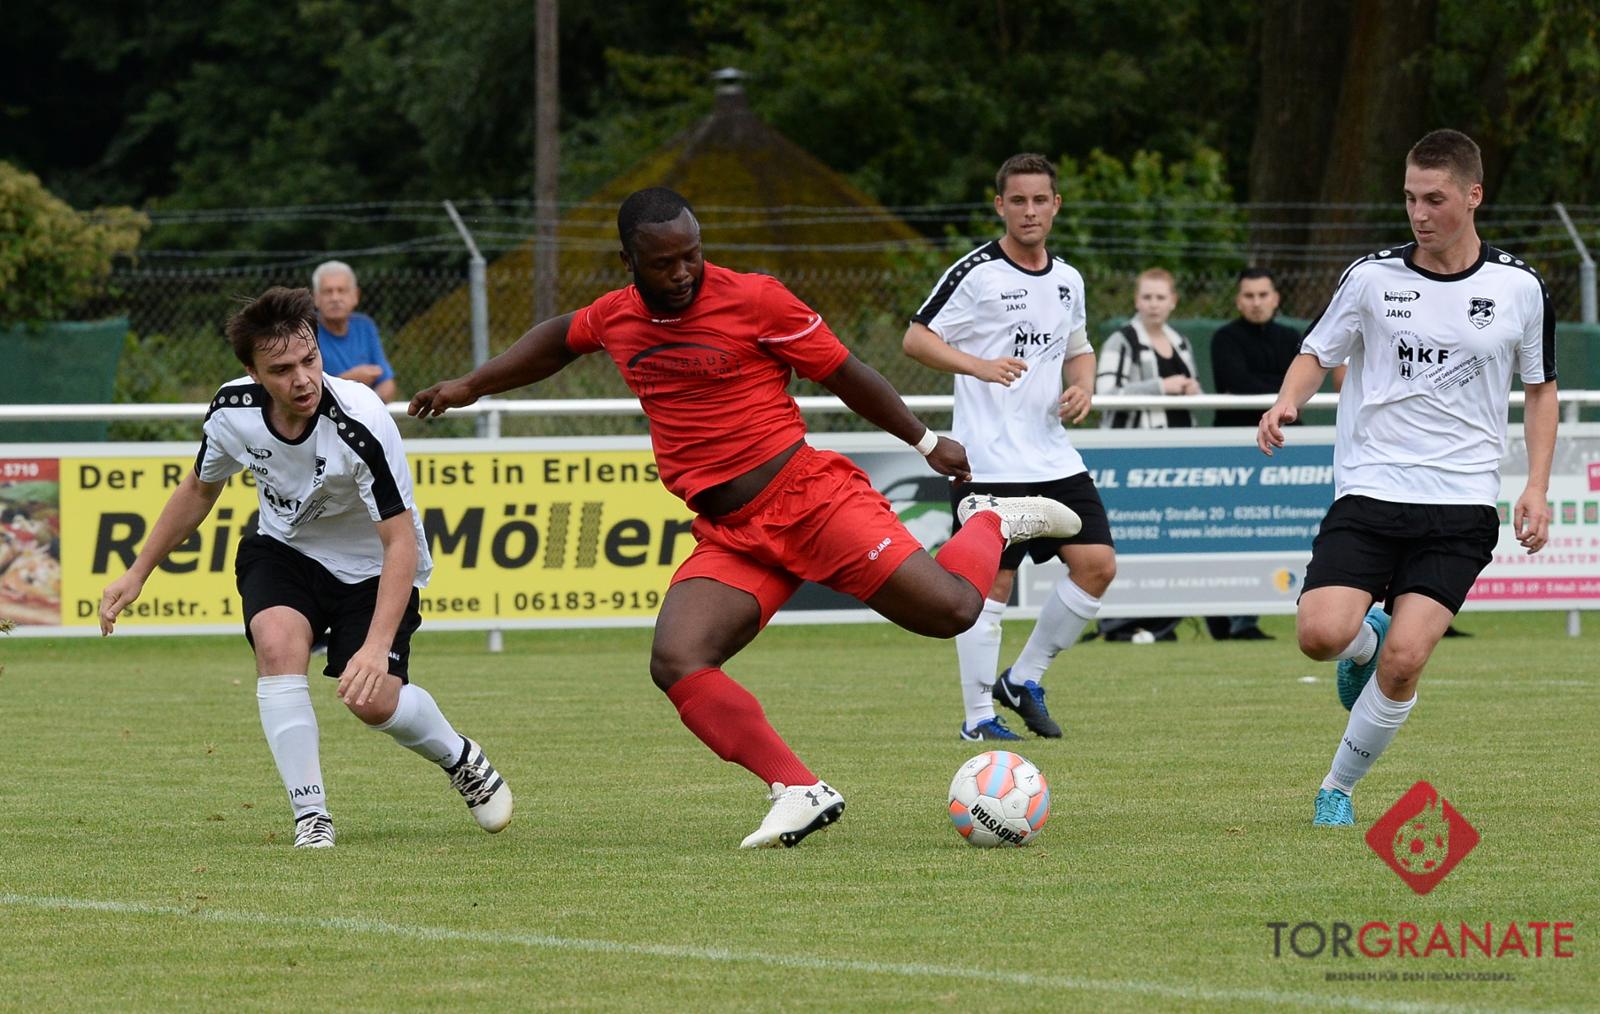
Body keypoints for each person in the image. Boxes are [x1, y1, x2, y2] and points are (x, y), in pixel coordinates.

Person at [409, 187, 1078, 849]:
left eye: (692, 255)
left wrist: (926, 442)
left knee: (953, 611)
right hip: (733, 533)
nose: (683, 272)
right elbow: (558, 338)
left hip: (809, 501)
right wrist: (472, 385)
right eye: (664, 263)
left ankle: (991, 521)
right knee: (677, 660)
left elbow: (846, 373)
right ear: (629, 263)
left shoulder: (757, 299)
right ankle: (798, 788)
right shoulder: (617, 315)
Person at [100, 287, 512, 849]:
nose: (302, 380)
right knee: (275, 644)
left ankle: (461, 759)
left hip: (373, 566)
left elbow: (399, 543)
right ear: (253, 373)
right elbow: (199, 488)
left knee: (371, 701)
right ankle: (311, 816)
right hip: (286, 550)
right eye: (281, 369)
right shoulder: (232, 411)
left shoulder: (361, 421)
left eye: (309, 360)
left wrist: (375, 647)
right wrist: (137, 572)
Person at [1257, 129, 1556, 828]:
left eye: (1435, 199)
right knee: (1320, 635)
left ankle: (1336, 789)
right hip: (1372, 489)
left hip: (1461, 504)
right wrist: (1287, 400)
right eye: (1411, 198)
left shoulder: (1518, 287)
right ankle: (1364, 636)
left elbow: (1540, 389)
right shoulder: (1371, 278)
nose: (1420, 213)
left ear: (1474, 195)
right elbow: (1317, 350)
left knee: (1405, 661)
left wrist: (1536, 486)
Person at [902, 153, 1115, 742]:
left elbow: (1080, 347)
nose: (1029, 211)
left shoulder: (1068, 279)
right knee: (989, 587)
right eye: (1017, 200)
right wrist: (978, 365)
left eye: (1040, 200)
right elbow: (916, 338)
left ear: (1056, 205)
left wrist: (1084, 386)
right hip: (988, 460)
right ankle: (977, 719)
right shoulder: (976, 273)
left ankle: (1023, 679)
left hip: (1052, 455)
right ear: (1000, 206)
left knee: (1097, 566)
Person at [1091, 267, 1200, 641]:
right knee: (1129, 539)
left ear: (1173, 302)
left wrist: (1191, 391)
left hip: (1177, 457)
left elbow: (1189, 395)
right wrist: (1161, 386)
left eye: (1160, 297)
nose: (1154, 304)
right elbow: (1105, 395)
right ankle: (1119, 622)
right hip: (1131, 457)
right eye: (1147, 297)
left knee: (1170, 540)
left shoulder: (1181, 342)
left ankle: (1162, 623)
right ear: (1137, 300)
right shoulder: (1121, 341)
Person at [1208, 267, 1301, 641]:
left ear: (1276, 298)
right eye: (1249, 295)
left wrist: (1284, 395)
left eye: (1263, 295)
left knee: (1272, 529)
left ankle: (1248, 618)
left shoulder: (1291, 338)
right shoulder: (1224, 338)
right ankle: (1228, 619)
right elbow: (1238, 384)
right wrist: (1282, 393)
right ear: (1238, 300)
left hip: (1282, 449)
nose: (1257, 302)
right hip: (1234, 452)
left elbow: (1299, 390)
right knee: (1233, 532)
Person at [313, 260, 398, 403]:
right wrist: (350, 379)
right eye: (328, 292)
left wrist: (366, 405)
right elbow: (307, 390)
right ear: (316, 298)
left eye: (342, 291)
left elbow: (387, 384)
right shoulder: (306, 332)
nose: (335, 298)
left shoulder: (365, 327)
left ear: (356, 295)